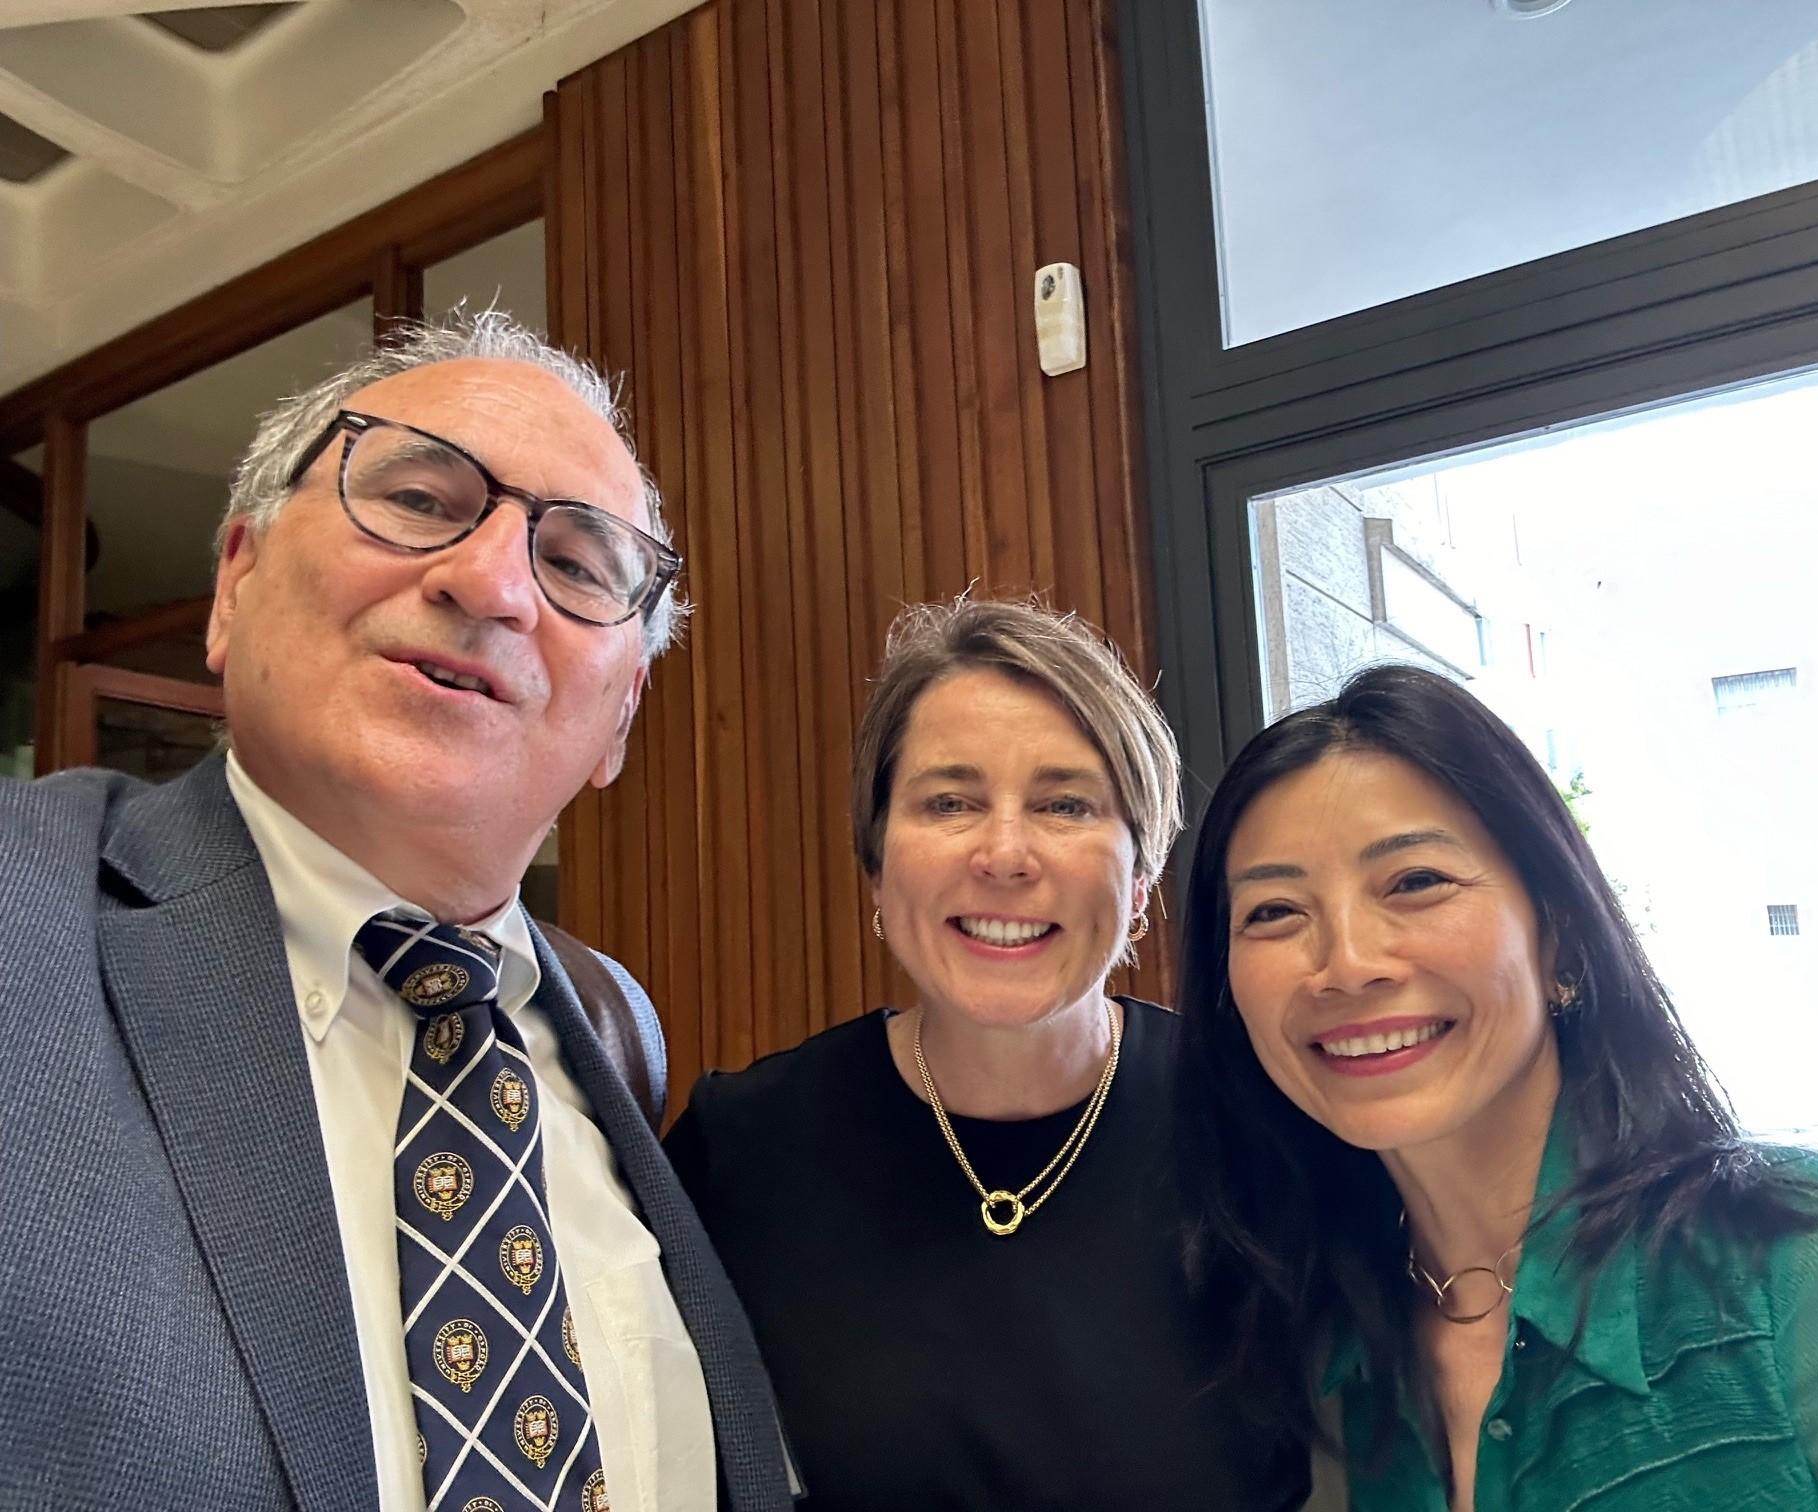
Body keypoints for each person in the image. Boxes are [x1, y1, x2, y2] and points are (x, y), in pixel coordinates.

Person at [0, 311, 793, 1512]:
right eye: (421, 498)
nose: (489, 583)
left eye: (578, 565)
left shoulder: (615, 1028)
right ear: (235, 580)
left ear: (620, 719)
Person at [1178, 663, 1818, 1512]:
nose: (1347, 965)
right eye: (1275, 912)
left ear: (1563, 938)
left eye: (1415, 882)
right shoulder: (1313, 1364)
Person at [666, 597, 1311, 1511]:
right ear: (879, 872)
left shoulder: (1264, 1121)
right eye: (950, 802)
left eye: (1064, 803)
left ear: (1139, 882)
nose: (1006, 854)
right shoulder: (738, 1150)